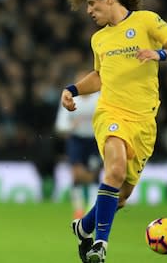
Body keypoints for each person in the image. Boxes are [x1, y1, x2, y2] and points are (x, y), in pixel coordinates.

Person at [61, 0, 167, 262]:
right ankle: (100, 245)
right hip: (111, 112)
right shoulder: (99, 39)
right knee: (115, 169)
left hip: (144, 121)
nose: (89, 11)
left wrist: (158, 53)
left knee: (120, 196)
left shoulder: (146, 22)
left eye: (92, 4)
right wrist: (73, 89)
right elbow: (99, 76)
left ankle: (83, 228)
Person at [55, 69, 101, 219]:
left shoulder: (99, 98)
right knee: (77, 174)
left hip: (95, 140)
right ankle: (79, 209)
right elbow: (60, 125)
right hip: (76, 140)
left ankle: (91, 207)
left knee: (93, 175)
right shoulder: (70, 99)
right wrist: (71, 126)